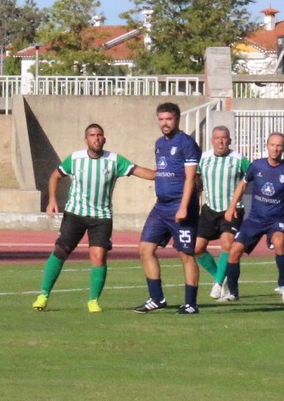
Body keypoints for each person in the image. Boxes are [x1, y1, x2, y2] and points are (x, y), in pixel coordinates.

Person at [35, 123, 153, 312]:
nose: (96, 138)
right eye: (92, 135)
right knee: (60, 251)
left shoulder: (115, 160)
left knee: (99, 257)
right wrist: (51, 200)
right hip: (75, 214)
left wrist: (164, 175)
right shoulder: (75, 158)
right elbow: (55, 176)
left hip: (101, 217)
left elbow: (140, 171)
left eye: (99, 135)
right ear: (86, 139)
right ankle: (43, 295)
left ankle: (93, 301)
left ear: (104, 139)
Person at [134, 102, 205, 314]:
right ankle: (157, 298)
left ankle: (191, 304)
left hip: (180, 206)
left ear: (177, 119)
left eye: (169, 119)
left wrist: (183, 207)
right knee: (145, 249)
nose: (165, 123)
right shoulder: (159, 144)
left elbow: (191, 178)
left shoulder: (187, 143)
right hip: (161, 207)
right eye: (161, 119)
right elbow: (162, 170)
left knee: (185, 254)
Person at [220, 132, 284, 303]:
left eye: (279, 145)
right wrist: (232, 206)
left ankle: (283, 285)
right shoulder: (256, 166)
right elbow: (242, 184)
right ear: (267, 146)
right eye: (272, 145)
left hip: (276, 221)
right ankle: (232, 292)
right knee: (234, 251)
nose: (275, 149)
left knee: (280, 243)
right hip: (254, 220)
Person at [194, 127, 249, 300]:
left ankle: (218, 284)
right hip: (210, 209)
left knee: (227, 244)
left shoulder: (239, 159)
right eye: (217, 138)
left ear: (230, 141)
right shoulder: (203, 159)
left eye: (224, 138)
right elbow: (195, 181)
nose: (221, 141)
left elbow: (253, 176)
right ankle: (221, 277)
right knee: (197, 248)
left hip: (232, 209)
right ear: (212, 140)